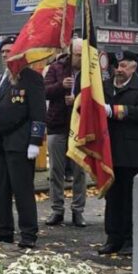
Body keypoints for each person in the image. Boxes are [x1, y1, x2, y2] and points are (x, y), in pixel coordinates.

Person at [0, 37, 46, 249]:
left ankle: (28, 234)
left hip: (20, 140)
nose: (7, 55)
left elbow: (38, 113)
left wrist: (35, 141)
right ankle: (4, 230)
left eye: (10, 51)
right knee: (0, 187)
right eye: (3, 52)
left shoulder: (31, 78)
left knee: (22, 189)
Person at [101, 50, 138, 256]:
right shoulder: (106, 86)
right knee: (112, 197)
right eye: (118, 66)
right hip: (108, 149)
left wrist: (113, 111)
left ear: (134, 67)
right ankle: (112, 237)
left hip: (131, 151)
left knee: (129, 198)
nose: (119, 70)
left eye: (124, 66)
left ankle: (130, 240)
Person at [42, 40, 87, 227]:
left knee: (79, 171)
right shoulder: (56, 67)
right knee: (56, 170)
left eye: (82, 55)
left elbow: (96, 97)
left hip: (80, 126)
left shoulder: (90, 71)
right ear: (70, 53)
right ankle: (56, 209)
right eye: (77, 55)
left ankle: (78, 210)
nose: (79, 58)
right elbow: (44, 91)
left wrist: (77, 100)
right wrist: (61, 86)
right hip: (57, 124)